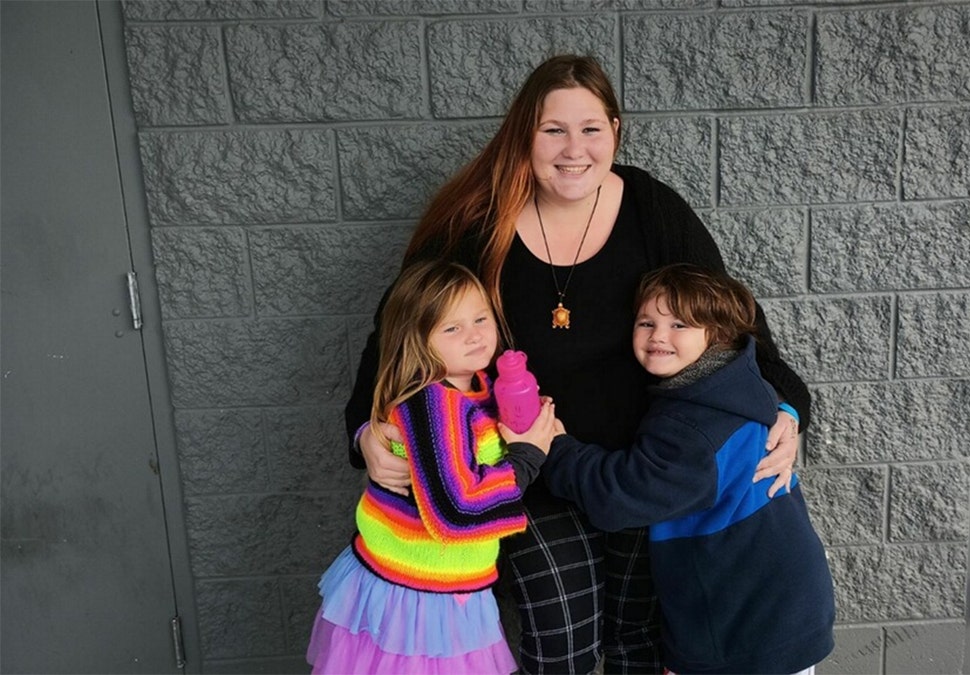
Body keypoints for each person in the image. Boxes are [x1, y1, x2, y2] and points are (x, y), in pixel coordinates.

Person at [344, 54, 813, 674]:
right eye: (552, 130)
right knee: (563, 638)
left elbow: (728, 318)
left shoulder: (650, 208)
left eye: (591, 129)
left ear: (615, 131)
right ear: (524, 136)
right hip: (525, 467)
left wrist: (787, 407)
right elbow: (396, 332)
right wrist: (363, 431)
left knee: (639, 639)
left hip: (636, 463)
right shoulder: (476, 224)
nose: (574, 149)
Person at [541, 263, 836, 675]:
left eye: (679, 324)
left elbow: (619, 495)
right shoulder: (737, 386)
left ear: (715, 335)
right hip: (780, 604)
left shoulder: (695, 429)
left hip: (751, 626)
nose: (658, 335)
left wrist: (553, 448)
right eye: (646, 322)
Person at [308, 261, 560, 674]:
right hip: (416, 600)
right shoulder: (433, 404)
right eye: (452, 328)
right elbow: (457, 509)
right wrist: (528, 455)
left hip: (445, 588)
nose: (475, 334)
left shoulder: (474, 386)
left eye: (480, 318)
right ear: (418, 340)